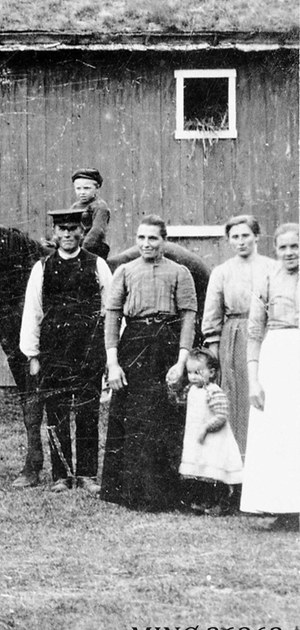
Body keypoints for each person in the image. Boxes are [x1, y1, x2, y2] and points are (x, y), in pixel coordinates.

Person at [100, 215, 197, 512]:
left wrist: (181, 362)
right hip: (135, 345)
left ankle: (165, 493)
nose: (146, 244)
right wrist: (113, 364)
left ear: (164, 241)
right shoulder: (126, 272)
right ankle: (129, 492)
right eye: (141, 238)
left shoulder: (180, 272)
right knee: (133, 418)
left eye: (153, 238)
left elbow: (188, 317)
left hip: (166, 346)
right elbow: (113, 317)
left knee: (165, 419)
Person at [19, 208, 112, 495]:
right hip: (53, 351)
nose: (68, 235)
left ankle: (86, 474)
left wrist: (110, 355)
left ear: (83, 233)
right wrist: (33, 356)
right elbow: (33, 312)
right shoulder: (42, 268)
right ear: (55, 234)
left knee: (87, 411)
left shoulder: (97, 265)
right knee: (56, 412)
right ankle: (61, 475)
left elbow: (111, 309)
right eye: (63, 230)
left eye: (73, 229)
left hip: (88, 349)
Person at [239, 223, 300, 529]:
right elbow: (253, 332)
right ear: (275, 250)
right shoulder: (266, 278)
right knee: (279, 432)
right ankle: (283, 509)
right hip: (276, 356)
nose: (289, 253)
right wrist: (254, 380)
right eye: (283, 247)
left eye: (295, 246)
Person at [201, 215, 275, 464]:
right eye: (235, 237)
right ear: (228, 240)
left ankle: (267, 468)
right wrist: (216, 358)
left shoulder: (272, 268)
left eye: (246, 235)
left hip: (267, 337)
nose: (241, 241)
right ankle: (234, 476)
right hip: (233, 340)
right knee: (235, 405)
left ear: (256, 236)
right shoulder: (222, 272)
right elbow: (212, 318)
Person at [171, 348, 242, 515]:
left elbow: (221, 415)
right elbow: (180, 402)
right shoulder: (191, 390)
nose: (193, 377)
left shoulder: (214, 391)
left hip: (214, 438)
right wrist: (173, 390)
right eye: (190, 373)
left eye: (198, 372)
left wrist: (206, 427)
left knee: (213, 469)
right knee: (199, 469)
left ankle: (221, 502)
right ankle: (201, 501)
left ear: (211, 372)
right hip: (198, 438)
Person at [70, 169, 112, 259]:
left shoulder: (100, 206)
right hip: (76, 246)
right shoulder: (74, 207)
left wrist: (82, 250)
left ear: (97, 188)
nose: (82, 192)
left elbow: (97, 231)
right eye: (78, 188)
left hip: (94, 247)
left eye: (86, 188)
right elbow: (67, 226)